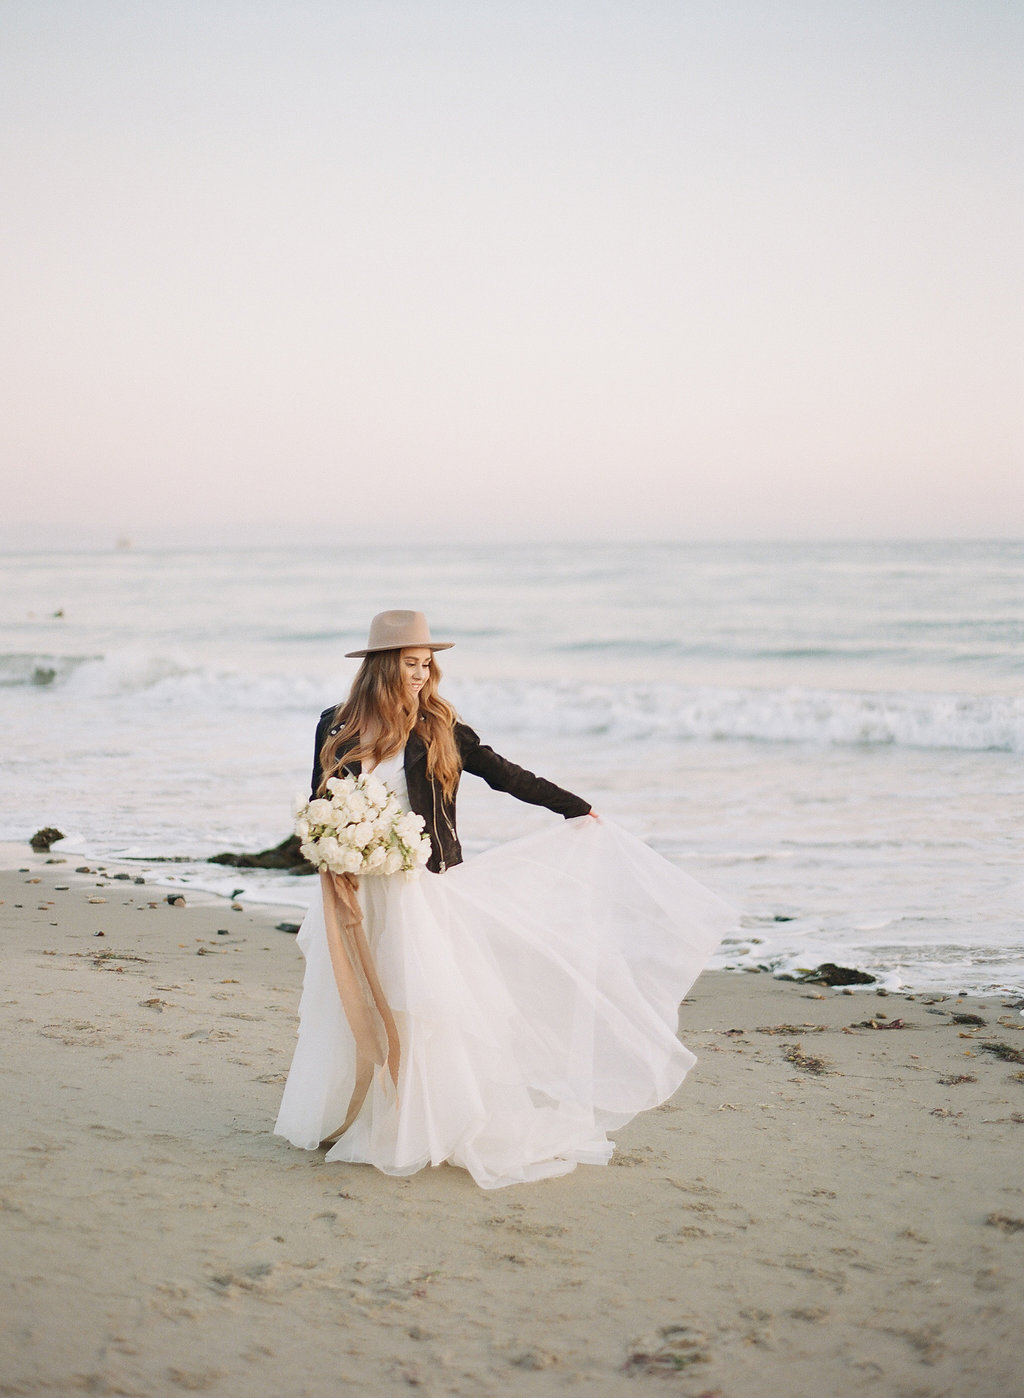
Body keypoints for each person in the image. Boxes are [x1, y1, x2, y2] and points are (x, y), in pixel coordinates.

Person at [275, 610, 732, 1189]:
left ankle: (418, 1123)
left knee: (422, 1004)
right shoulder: (334, 724)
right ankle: (357, 1114)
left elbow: (502, 773)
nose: (422, 675)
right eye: (412, 665)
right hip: (355, 889)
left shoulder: (439, 725)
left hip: (421, 888)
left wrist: (573, 806)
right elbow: (322, 797)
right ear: (385, 668)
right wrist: (331, 846)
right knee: (353, 1002)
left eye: (427, 665)